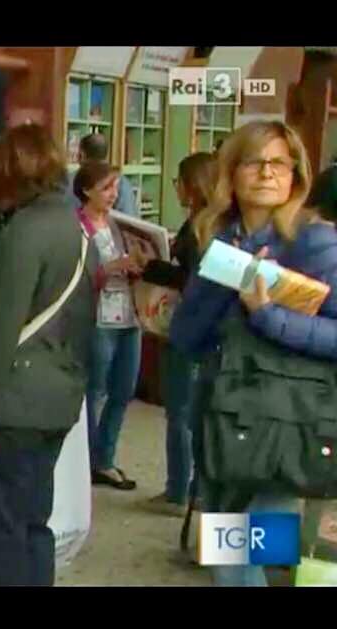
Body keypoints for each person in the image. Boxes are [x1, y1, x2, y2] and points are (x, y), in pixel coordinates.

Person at [170, 120, 337, 586]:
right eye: (254, 162)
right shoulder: (220, 237)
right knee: (228, 563)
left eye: (279, 163)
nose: (267, 173)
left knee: (247, 562)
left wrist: (267, 314)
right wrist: (228, 275)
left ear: (295, 175)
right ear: (232, 172)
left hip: (287, 426)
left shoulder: (315, 241)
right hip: (224, 421)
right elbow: (186, 335)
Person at [0, 123, 98, 586]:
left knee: (0, 534)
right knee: (34, 525)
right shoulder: (77, 229)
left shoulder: (23, 232)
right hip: (57, 394)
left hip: (13, 401)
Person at [131, 152, 217, 515]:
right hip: (200, 328)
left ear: (191, 184)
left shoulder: (202, 228)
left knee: (181, 413)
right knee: (189, 413)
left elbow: (192, 280)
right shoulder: (210, 223)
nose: (176, 188)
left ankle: (179, 490)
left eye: (178, 181)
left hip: (187, 327)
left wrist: (151, 267)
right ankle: (192, 490)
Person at [74, 160, 143, 491]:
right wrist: (112, 268)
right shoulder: (78, 226)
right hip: (99, 316)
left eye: (116, 186)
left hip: (130, 313)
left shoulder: (120, 225)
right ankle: (87, 460)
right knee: (95, 390)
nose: (113, 194)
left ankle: (106, 458)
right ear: (87, 190)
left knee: (123, 390)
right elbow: (78, 275)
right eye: (106, 188)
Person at [70, 133, 139, 217]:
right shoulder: (121, 182)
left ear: (81, 155)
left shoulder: (67, 180)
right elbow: (129, 218)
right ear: (106, 155)